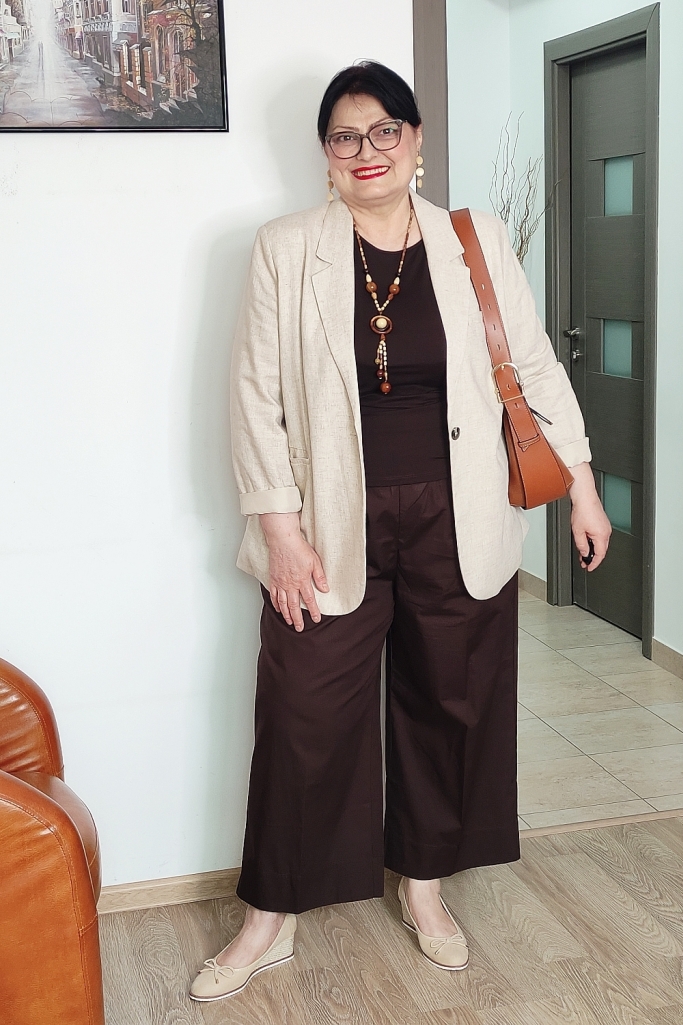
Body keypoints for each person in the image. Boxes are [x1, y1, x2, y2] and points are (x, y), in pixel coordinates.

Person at [189, 61, 612, 1002]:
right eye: (345, 136)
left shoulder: (474, 239)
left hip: (458, 515)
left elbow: (533, 368)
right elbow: (254, 395)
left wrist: (581, 485)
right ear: (325, 153)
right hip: (328, 521)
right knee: (303, 714)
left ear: (416, 140)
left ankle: (423, 884)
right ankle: (269, 916)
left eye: (385, 130)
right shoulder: (285, 247)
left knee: (448, 703)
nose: (366, 150)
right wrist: (279, 528)